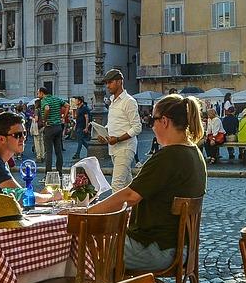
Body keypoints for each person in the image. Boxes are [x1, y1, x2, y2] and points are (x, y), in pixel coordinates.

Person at [86, 94, 206, 271]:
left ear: (164, 121)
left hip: (157, 248)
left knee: (82, 246)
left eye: (153, 120)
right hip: (183, 246)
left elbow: (130, 195)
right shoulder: (195, 153)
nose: (152, 126)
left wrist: (87, 212)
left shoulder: (168, 156)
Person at [101, 69, 143, 191]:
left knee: (117, 185)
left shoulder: (129, 101)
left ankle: (117, 210)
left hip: (125, 148)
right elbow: (113, 123)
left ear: (119, 82)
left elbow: (137, 127)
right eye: (106, 83)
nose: (107, 86)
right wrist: (104, 133)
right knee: (127, 185)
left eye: (110, 82)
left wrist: (118, 139)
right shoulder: (112, 101)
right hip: (114, 148)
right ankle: (135, 207)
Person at [36, 86, 66, 175]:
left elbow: (47, 108)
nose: (38, 95)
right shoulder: (56, 98)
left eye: (38, 93)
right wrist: (63, 117)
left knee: (48, 152)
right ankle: (59, 172)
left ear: (42, 93)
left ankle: (48, 174)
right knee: (58, 151)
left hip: (50, 127)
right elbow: (67, 105)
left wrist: (44, 120)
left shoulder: (44, 100)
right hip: (58, 127)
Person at [70, 95, 92, 161]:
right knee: (81, 140)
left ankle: (77, 154)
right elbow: (75, 118)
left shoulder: (84, 108)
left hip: (82, 126)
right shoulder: (78, 108)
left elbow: (87, 117)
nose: (75, 101)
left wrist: (86, 127)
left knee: (80, 140)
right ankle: (90, 149)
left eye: (76, 100)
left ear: (79, 101)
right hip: (78, 126)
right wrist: (75, 125)